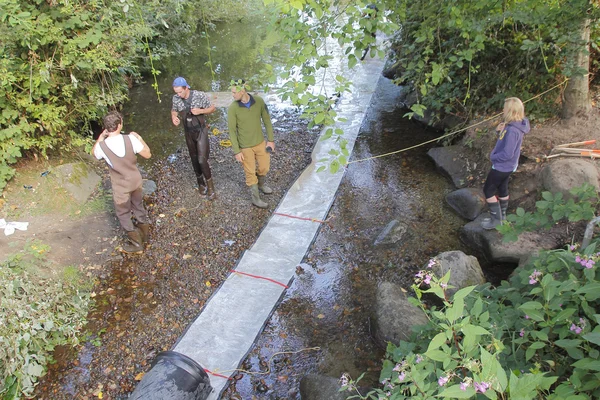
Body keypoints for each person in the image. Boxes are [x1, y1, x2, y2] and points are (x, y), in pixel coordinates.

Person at [92, 111, 152, 253]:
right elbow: (148, 154)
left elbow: (94, 154)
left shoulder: (102, 146)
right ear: (119, 125)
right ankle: (145, 235)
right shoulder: (130, 139)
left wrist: (100, 138)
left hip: (121, 186)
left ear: (106, 128)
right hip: (136, 181)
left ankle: (136, 244)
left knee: (123, 212)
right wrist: (140, 138)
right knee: (138, 205)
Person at [481, 97, 530, 230]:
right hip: (508, 166)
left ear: (509, 111)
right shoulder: (513, 125)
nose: (502, 110)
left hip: (502, 166)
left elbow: (507, 153)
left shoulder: (513, 131)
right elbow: (506, 143)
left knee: (488, 190)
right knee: (502, 188)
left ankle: (496, 221)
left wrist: (493, 156)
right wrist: (499, 132)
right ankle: (502, 217)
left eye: (504, 108)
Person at [227, 80, 275, 209]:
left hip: (260, 143)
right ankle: (256, 199)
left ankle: (261, 184)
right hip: (245, 147)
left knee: (264, 167)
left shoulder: (259, 101)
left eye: (234, 92)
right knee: (250, 172)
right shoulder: (233, 108)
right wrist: (237, 151)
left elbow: (267, 121)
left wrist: (270, 140)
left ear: (243, 91)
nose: (233, 95)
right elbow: (232, 131)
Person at [171, 77, 217, 199]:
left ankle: (211, 187)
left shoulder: (199, 95)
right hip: (188, 132)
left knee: (202, 160)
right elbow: (174, 110)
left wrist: (200, 111)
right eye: (176, 92)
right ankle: (200, 183)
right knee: (194, 159)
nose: (178, 94)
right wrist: (174, 117)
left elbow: (212, 108)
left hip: (201, 130)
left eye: (180, 92)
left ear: (186, 88)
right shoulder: (176, 98)